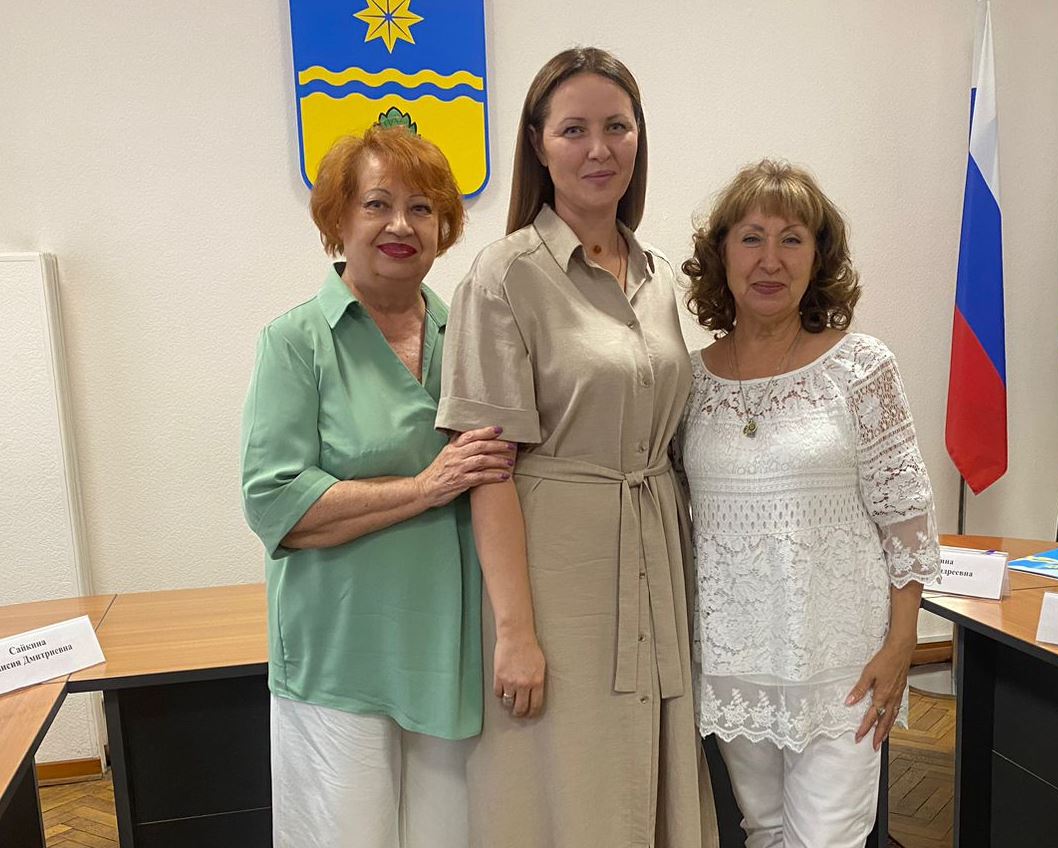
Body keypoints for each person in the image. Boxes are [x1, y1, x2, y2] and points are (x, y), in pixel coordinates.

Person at [436, 47, 718, 848]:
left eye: (617, 127)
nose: (599, 149)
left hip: (655, 556)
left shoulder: (658, 278)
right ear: (538, 143)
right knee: (565, 785)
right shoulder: (504, 277)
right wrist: (515, 632)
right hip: (560, 576)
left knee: (648, 780)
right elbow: (488, 471)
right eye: (574, 130)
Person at [240, 125, 514, 848]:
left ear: (443, 228)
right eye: (377, 204)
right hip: (341, 658)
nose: (401, 225)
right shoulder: (296, 342)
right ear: (338, 219)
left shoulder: (471, 339)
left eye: (422, 208)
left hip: (451, 654)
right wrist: (425, 488)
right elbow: (276, 504)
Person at [678, 159, 940, 848]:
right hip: (734, 661)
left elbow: (907, 519)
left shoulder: (862, 368)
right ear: (722, 254)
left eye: (792, 239)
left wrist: (902, 645)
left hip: (842, 665)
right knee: (763, 831)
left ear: (818, 256)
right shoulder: (689, 382)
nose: (771, 260)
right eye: (752, 238)